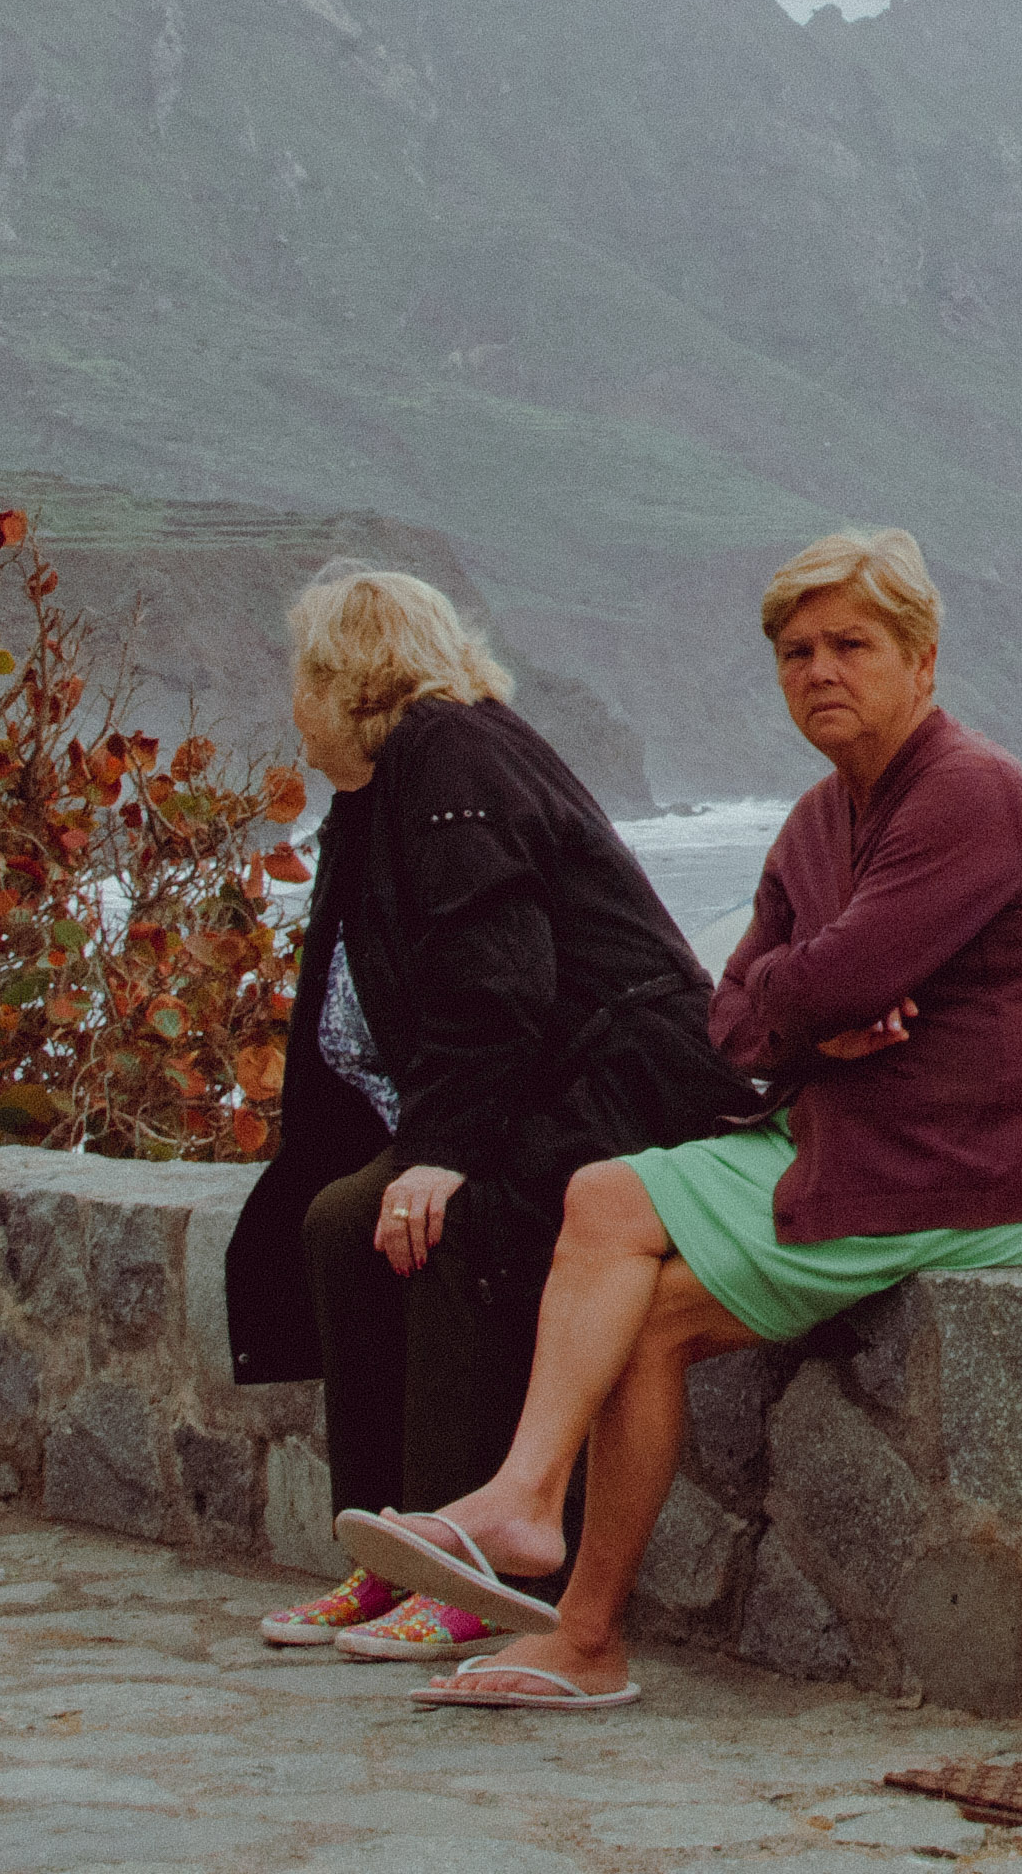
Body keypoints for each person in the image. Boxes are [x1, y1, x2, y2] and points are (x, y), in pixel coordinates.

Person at [341, 526, 1022, 1711]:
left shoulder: (968, 794)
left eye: (851, 644)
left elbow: (814, 983)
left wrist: (807, 997)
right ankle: (587, 1640)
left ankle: (523, 1500)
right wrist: (812, 1016)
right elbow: (729, 1020)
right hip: (843, 1147)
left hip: (945, 1170)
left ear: (923, 660)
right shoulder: (818, 820)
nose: (820, 670)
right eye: (797, 651)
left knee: (603, 1194)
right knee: (642, 1325)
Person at [220, 564, 748, 1662]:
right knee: (343, 1222)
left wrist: (443, 1153)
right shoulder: (384, 789)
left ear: (348, 677)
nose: (292, 703)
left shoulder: (449, 753)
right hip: (537, 1083)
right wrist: (406, 1149)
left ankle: (476, 1569)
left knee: (461, 1225)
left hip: (625, 1079)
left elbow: (496, 979)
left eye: (302, 676)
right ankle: (390, 1554)